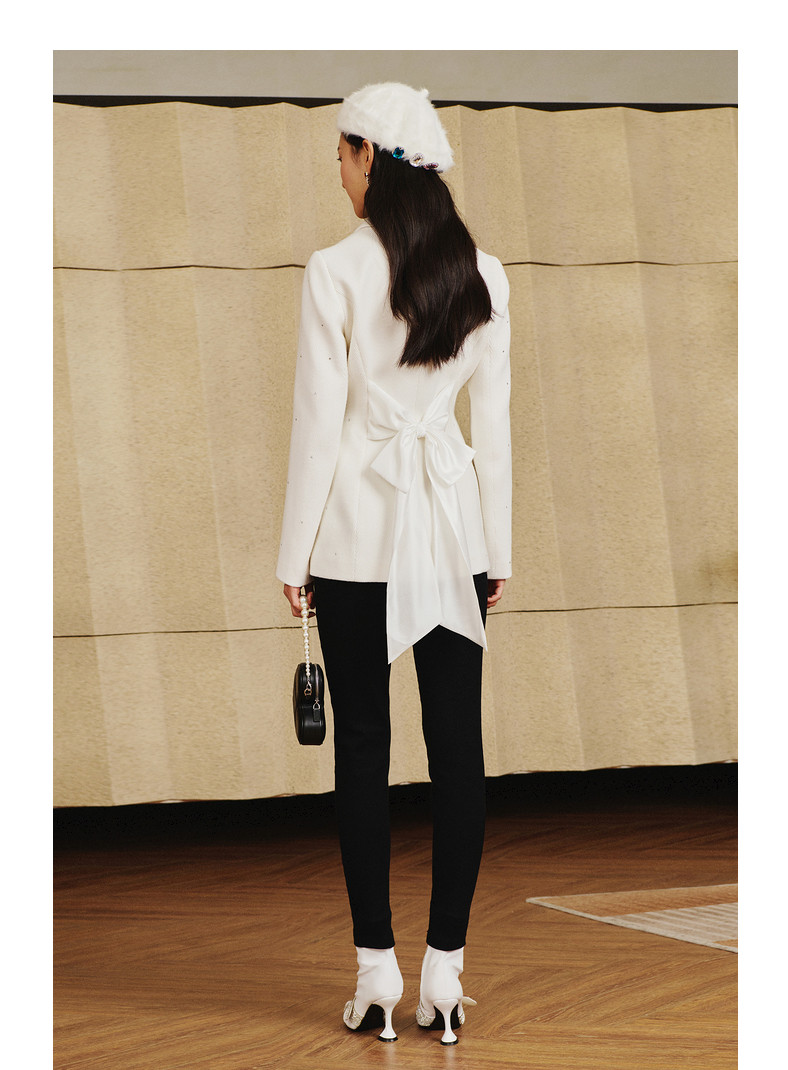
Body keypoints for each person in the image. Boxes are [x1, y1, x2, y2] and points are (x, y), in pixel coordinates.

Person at [276, 82, 512, 1045]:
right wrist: (498, 545)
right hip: (455, 535)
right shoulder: (485, 273)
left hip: (355, 540)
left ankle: (377, 971)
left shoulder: (334, 270)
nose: (337, 171)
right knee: (458, 751)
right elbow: (493, 427)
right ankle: (445, 976)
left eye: (341, 154)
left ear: (370, 155)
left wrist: (294, 552)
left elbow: (316, 429)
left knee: (362, 753)